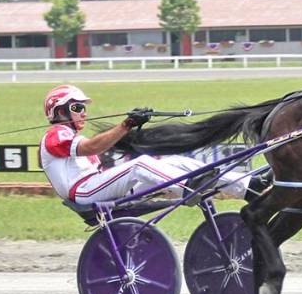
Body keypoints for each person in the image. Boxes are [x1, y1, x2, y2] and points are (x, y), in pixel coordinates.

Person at [40, 84, 266, 205]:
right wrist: (127, 124)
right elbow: (92, 147)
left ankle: (247, 186)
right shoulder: (55, 135)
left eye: (83, 107)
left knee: (175, 161)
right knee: (141, 165)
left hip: (99, 188)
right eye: (77, 108)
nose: (83, 113)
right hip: (85, 192)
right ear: (59, 111)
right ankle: (188, 187)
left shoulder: (69, 136)